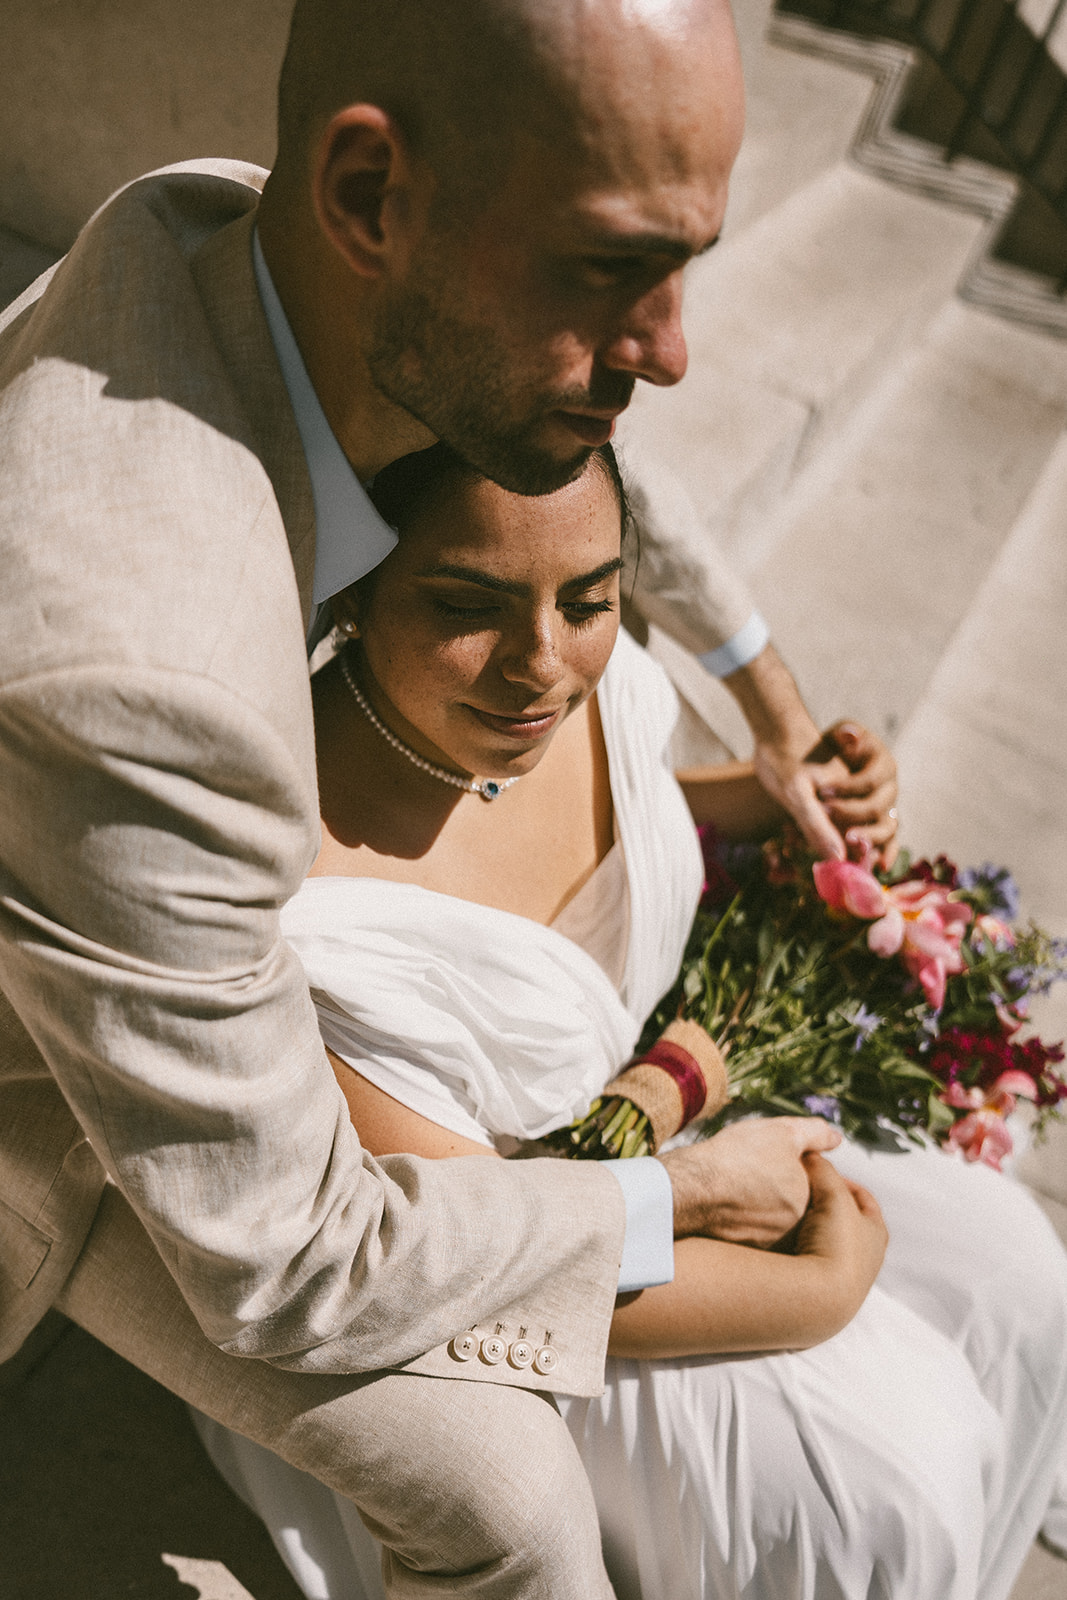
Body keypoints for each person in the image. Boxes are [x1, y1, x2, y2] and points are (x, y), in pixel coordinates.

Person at [0, 1, 895, 1592]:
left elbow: (601, 469)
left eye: (686, 263)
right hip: (43, 1102)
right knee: (514, 1515)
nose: (674, 348)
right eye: (614, 268)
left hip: (143, 924)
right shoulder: (147, 682)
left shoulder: (249, 244)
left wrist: (767, 699)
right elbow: (293, 1259)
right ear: (369, 196)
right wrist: (664, 1196)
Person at [189, 443, 1067, 1600]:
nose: (543, 667)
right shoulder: (293, 901)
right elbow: (445, 1264)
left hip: (659, 1106)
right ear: (352, 586)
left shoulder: (574, 694)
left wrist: (772, 796)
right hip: (504, 1280)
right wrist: (813, 1293)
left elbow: (634, 815)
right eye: (466, 604)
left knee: (1019, 1273)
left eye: (591, 601)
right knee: (892, 1478)